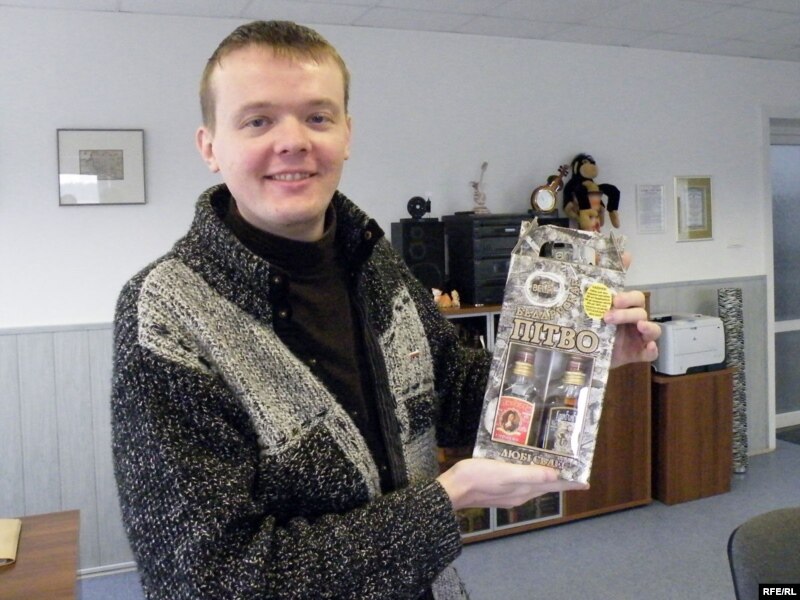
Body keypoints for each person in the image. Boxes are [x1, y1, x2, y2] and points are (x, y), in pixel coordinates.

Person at [111, 20, 661, 600]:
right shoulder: (167, 313)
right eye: (258, 120)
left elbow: (450, 393)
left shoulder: (377, 263)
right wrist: (445, 502)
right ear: (209, 147)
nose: (293, 140)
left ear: (346, 134)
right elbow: (207, 580)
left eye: (317, 117)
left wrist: (580, 361)